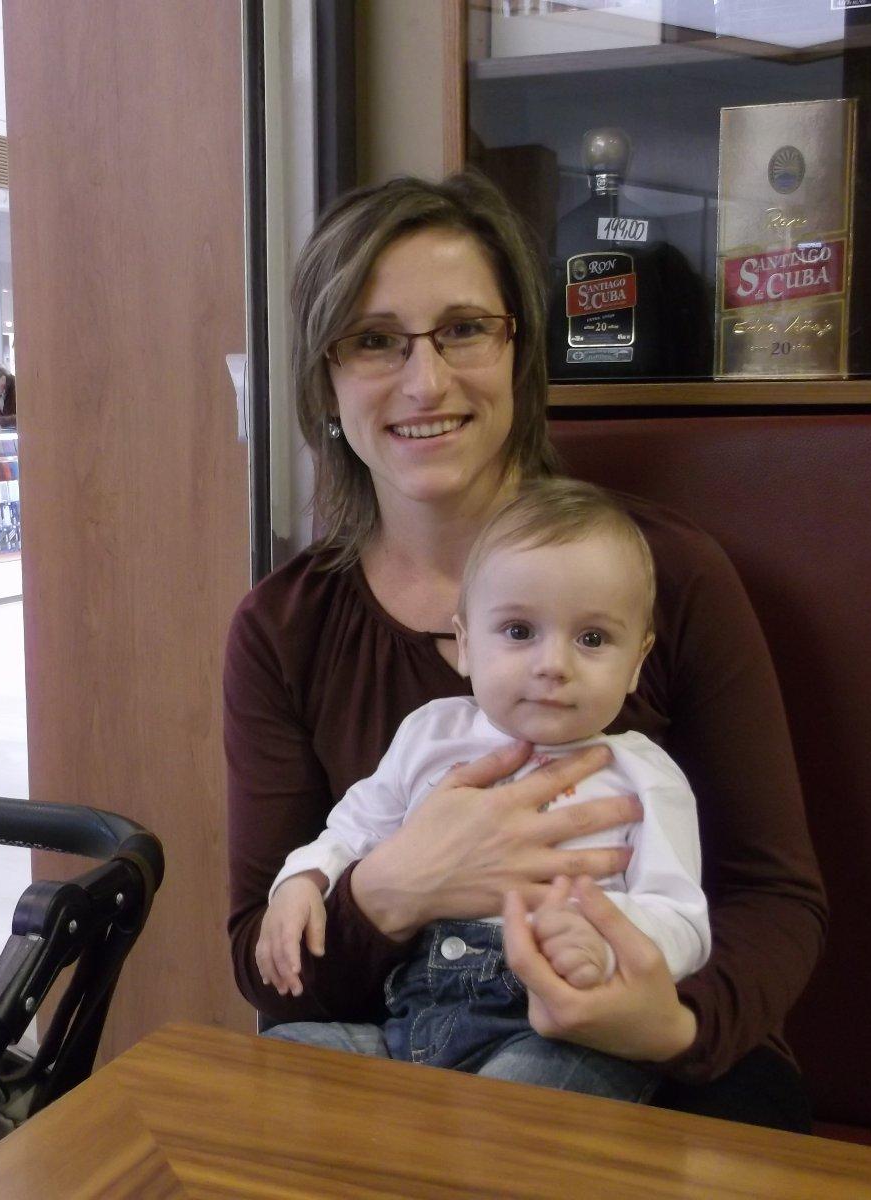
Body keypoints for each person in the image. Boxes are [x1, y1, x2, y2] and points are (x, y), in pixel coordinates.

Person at [225, 172, 827, 1131]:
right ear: (324, 379)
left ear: (521, 354)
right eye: (375, 340)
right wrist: (393, 888)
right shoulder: (283, 627)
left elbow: (776, 898)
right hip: (400, 1053)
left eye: (464, 329)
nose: (426, 382)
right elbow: (270, 969)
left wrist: (662, 1023)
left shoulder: (671, 574)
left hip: (664, 1063)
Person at [257, 480, 710, 1100]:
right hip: (409, 1026)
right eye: (519, 631)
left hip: (554, 1035)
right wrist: (303, 881)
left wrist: (603, 940)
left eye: (592, 639)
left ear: (637, 661)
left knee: (507, 1110)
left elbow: (683, 921)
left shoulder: (644, 774)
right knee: (275, 1061)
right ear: (466, 642)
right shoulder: (430, 733)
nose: (553, 665)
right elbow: (353, 829)